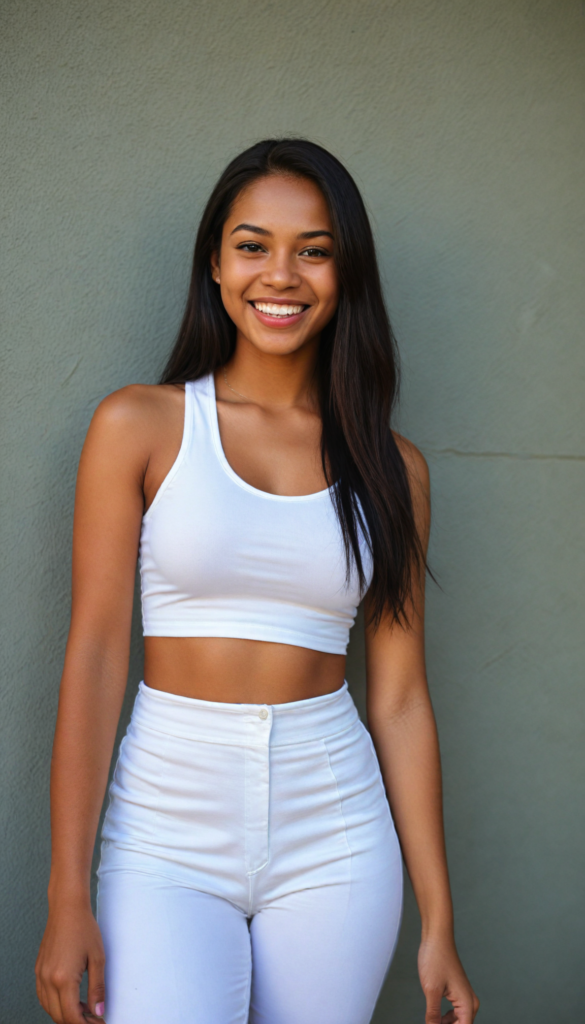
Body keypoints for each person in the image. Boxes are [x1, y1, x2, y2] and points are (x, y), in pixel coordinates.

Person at [35, 138, 479, 1024]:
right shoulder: (141, 424)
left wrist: (439, 921)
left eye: (313, 250)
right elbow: (93, 657)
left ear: (345, 272)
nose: (282, 275)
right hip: (166, 823)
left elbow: (396, 700)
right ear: (214, 262)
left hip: (336, 830)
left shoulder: (394, 469)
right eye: (253, 245)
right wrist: (65, 897)